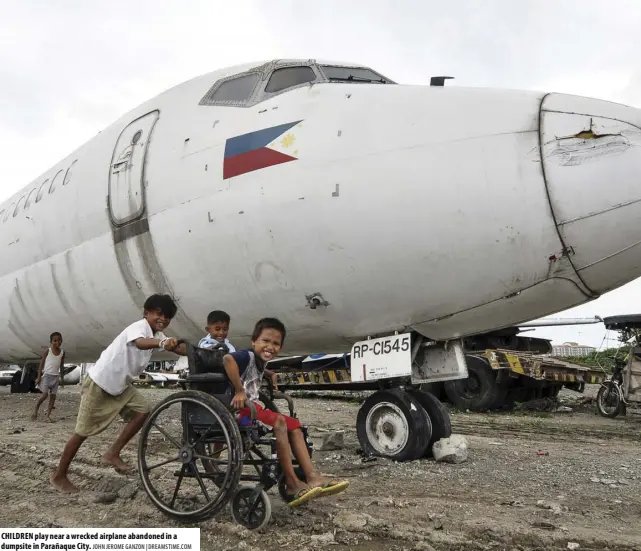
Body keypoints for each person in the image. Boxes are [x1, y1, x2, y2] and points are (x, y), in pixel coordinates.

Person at [50, 294, 186, 493]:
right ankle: (59, 475)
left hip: (120, 386)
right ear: (146, 313)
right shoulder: (139, 328)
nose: (163, 319)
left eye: (168, 317)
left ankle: (112, 453)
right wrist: (161, 344)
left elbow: (176, 348)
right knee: (82, 432)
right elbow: (140, 342)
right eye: (159, 314)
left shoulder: (157, 335)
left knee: (144, 410)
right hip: (100, 383)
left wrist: (195, 350)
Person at [223, 317, 349, 507]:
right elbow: (227, 359)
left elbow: (256, 369)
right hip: (239, 410)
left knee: (295, 425)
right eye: (266, 341)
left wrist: (270, 373)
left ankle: (312, 476)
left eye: (276, 344)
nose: (270, 347)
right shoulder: (246, 356)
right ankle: (291, 483)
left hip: (253, 409)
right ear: (254, 341)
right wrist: (239, 390)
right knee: (280, 422)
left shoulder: (259, 359)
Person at [32, 332, 65, 423]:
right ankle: (36, 409)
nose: (57, 342)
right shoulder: (48, 351)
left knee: (53, 397)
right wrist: (39, 377)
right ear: (51, 341)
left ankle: (48, 416)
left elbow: (61, 366)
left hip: (56, 377)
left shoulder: (62, 352)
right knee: (45, 394)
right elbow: (41, 364)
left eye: (59, 340)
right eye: (55, 340)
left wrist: (62, 378)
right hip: (47, 376)